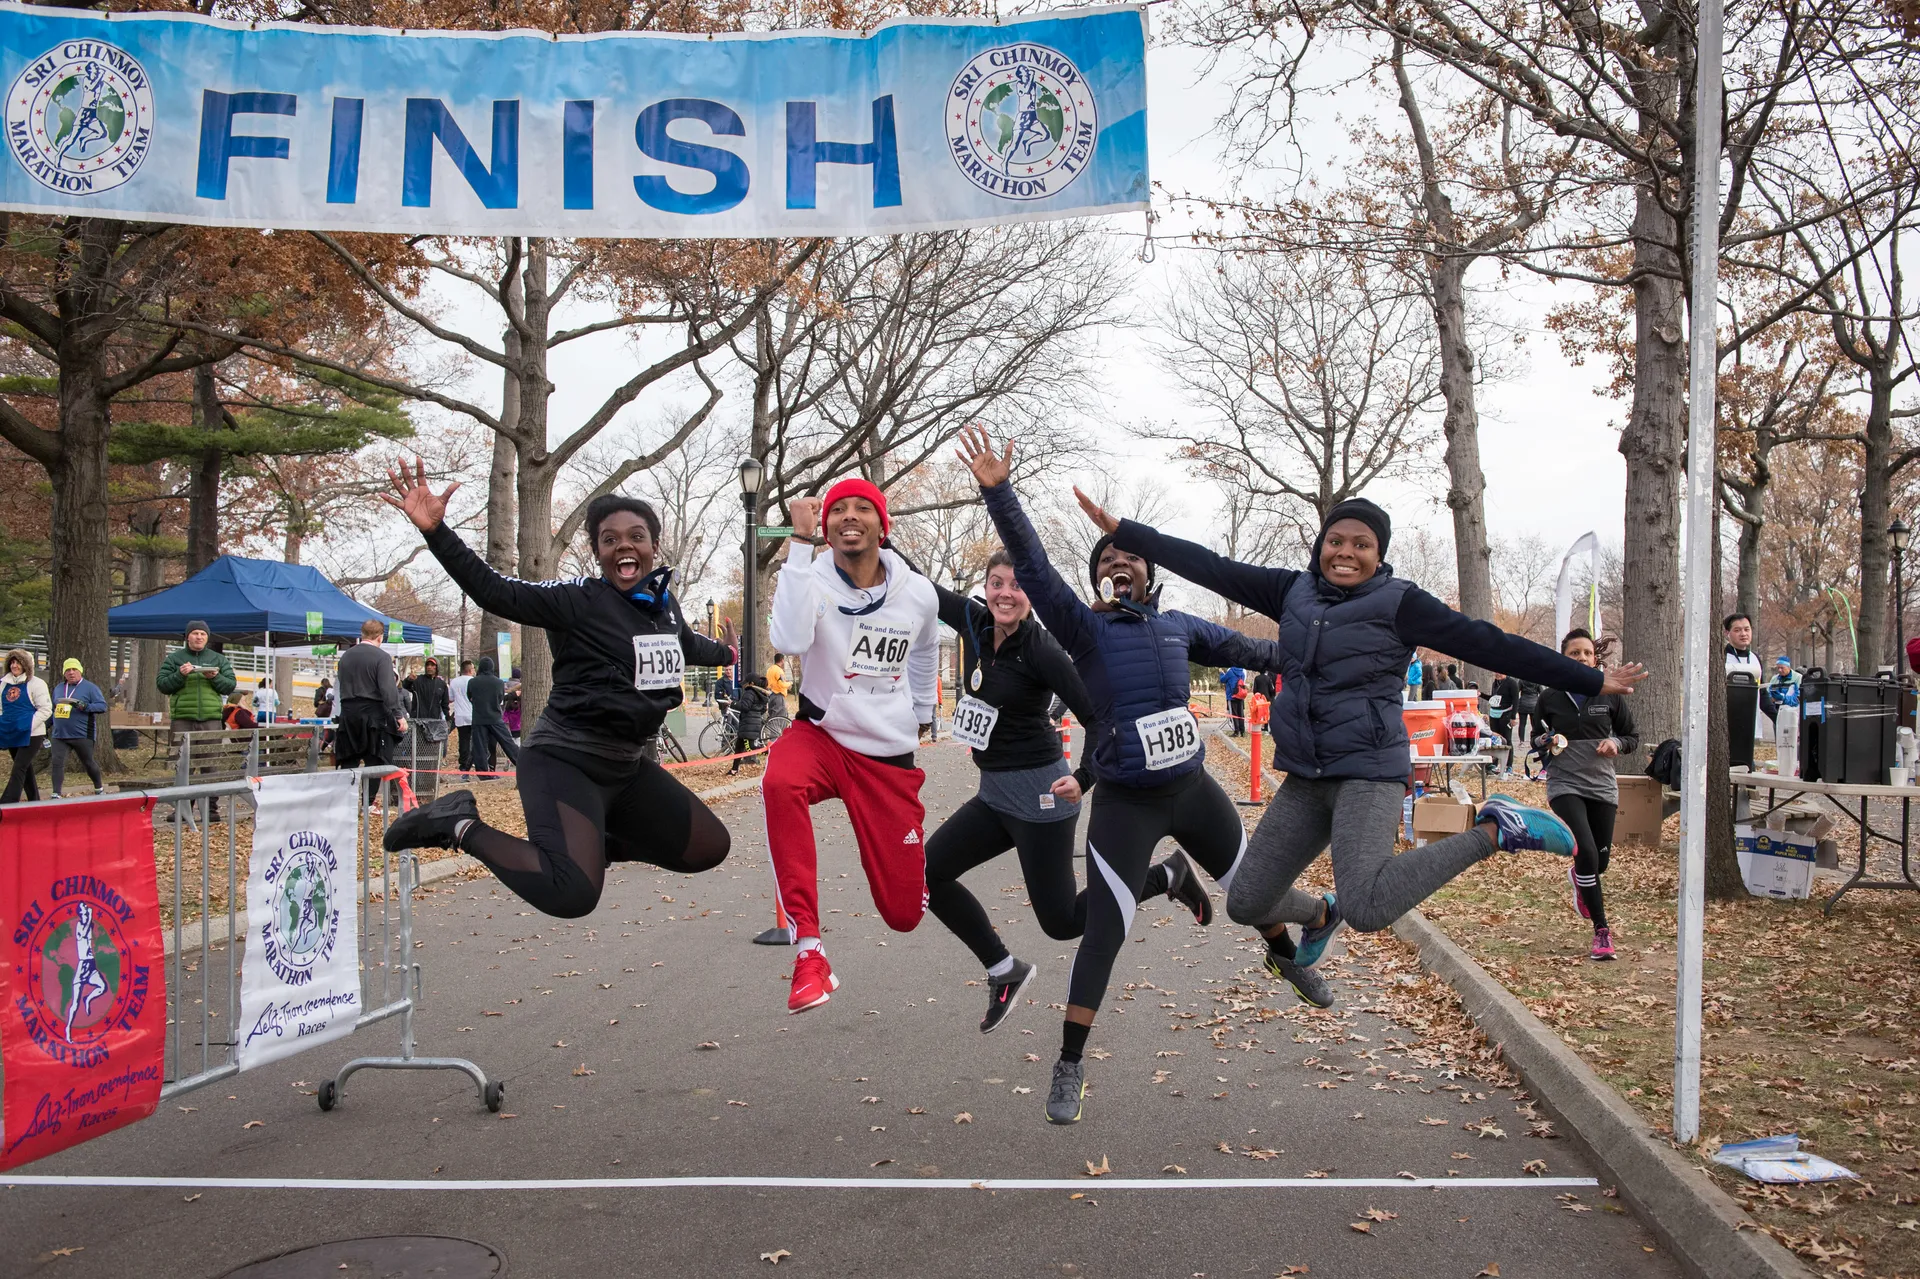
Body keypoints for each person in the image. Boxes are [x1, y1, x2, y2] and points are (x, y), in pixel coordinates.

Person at [1076, 486, 1648, 1023]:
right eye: (1336, 541)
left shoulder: (1400, 604)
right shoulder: (1290, 591)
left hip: (1370, 772)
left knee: (1370, 905)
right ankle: (1320, 913)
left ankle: (1496, 830)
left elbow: (1490, 642)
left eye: (1361, 545)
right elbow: (1209, 566)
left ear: (1379, 555)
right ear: (1320, 546)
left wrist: (1590, 681)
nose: (1345, 553)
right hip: (1306, 776)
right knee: (1247, 901)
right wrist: (1128, 531)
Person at [958, 428, 1309, 1127]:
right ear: (1094, 581)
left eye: (1130, 558)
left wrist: (1318, 654)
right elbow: (1031, 563)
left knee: (1253, 889)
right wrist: (999, 492)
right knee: (1101, 935)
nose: (1119, 565)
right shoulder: (1083, 631)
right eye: (1107, 560)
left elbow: (1256, 650)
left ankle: (1287, 959)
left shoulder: (1179, 625)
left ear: (1149, 574)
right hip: (1126, 805)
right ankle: (1070, 1062)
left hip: (1194, 791)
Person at [379, 463, 736, 920]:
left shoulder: (663, 607)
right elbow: (495, 591)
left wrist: (726, 654)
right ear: (598, 553)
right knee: (572, 895)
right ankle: (456, 822)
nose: (624, 545)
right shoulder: (579, 600)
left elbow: (686, 644)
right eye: (610, 539)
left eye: (636, 535)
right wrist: (437, 532)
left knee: (707, 846)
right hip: (566, 761)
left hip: (626, 769)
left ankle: (593, 842)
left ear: (653, 546)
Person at [762, 476, 941, 1015]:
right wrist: (797, 545)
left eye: (863, 508)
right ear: (827, 527)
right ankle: (810, 951)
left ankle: (915, 872)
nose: (849, 517)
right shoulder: (808, 579)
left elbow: (925, 652)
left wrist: (923, 714)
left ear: (881, 526)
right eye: (838, 510)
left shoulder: (918, 593)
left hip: (885, 756)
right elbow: (788, 642)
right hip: (822, 735)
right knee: (779, 781)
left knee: (904, 914)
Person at [925, 547, 1102, 1034]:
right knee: (928, 874)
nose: (1005, 593)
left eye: (1017, 585)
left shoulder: (1042, 650)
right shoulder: (976, 623)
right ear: (986, 588)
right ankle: (1004, 970)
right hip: (995, 796)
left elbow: (1098, 717)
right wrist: (876, 535)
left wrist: (1084, 777)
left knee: (1061, 922)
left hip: (1041, 797)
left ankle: (1160, 878)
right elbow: (919, 582)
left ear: (1031, 595)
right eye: (997, 582)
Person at [1534, 628, 1638, 961]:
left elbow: (1631, 735)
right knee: (1588, 851)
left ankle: (1581, 878)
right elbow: (1538, 736)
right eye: (1574, 653)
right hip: (1564, 782)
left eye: (1587, 653)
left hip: (1601, 784)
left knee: (1599, 862)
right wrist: (1545, 741)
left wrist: (1616, 744)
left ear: (1595, 658)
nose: (1581, 658)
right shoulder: (1549, 697)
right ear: (1563, 657)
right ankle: (1602, 932)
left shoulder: (1610, 694)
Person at [156, 621, 236, 819]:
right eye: (195, 633)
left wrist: (214, 677)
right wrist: (179, 674)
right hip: (182, 719)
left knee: (210, 765)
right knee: (183, 766)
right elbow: (163, 685)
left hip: (211, 719)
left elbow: (229, 686)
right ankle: (183, 809)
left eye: (202, 634)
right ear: (187, 637)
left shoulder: (218, 659)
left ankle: (210, 810)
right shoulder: (175, 659)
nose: (199, 637)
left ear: (207, 638)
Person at [335, 620, 408, 801]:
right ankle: (368, 802)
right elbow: (388, 689)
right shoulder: (381, 657)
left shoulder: (345, 657)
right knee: (375, 759)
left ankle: (346, 801)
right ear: (380, 637)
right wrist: (398, 715)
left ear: (362, 634)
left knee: (349, 759)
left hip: (348, 712)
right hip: (373, 713)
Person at [48, 658, 108, 798]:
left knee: (88, 762)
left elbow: (102, 706)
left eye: (74, 670)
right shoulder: (58, 688)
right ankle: (56, 793)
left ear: (80, 671)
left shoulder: (90, 688)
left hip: (82, 734)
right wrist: (46, 725)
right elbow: (54, 709)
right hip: (60, 734)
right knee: (57, 763)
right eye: (68, 670)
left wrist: (85, 706)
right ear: (64, 673)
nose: (71, 673)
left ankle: (99, 788)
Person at [1, 649, 51, 804]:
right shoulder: (3, 684)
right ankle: (34, 801)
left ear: (26, 665)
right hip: (11, 732)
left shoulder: (37, 684)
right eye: (12, 662)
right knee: (25, 768)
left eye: (18, 662)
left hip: (32, 734)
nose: (15, 666)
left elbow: (45, 709)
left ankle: (8, 802)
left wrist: (28, 725)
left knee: (19, 768)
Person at [1724, 612, 1775, 730]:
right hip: (1726, 728)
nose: (1743, 634)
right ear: (1727, 633)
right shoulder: (1721, 658)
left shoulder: (1754, 658)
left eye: (1747, 629)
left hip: (1751, 727)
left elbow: (1762, 694)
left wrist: (1778, 719)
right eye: (1737, 630)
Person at [468, 657, 518, 774]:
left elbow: (470, 696)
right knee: (508, 743)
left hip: (479, 717)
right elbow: (500, 698)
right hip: (495, 717)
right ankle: (520, 762)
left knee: (479, 746)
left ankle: (482, 771)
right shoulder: (499, 682)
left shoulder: (472, 682)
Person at [726, 675, 770, 776]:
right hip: (752, 723)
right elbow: (763, 709)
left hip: (748, 725)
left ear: (752, 684)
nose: (744, 685)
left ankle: (769, 752)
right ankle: (734, 769)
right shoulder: (761, 694)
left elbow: (745, 706)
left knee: (750, 748)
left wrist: (732, 703)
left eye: (746, 682)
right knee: (739, 747)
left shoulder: (749, 693)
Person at [1484, 671, 1520, 774]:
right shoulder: (1495, 683)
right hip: (1494, 713)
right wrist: (1481, 694)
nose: (1497, 674)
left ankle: (1509, 765)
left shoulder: (1512, 683)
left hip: (1506, 713)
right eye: (1496, 673)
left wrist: (1513, 717)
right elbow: (1492, 699)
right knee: (1495, 739)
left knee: (1507, 739)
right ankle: (1494, 763)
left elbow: (1516, 700)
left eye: (1500, 673)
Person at [448, 660, 475, 776]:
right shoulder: (474, 681)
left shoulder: (454, 682)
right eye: (473, 669)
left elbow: (450, 698)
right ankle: (472, 761)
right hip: (473, 714)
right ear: (469, 670)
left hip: (460, 715)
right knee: (474, 741)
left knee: (463, 740)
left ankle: (463, 764)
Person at [1221, 664, 1248, 736]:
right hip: (1240, 695)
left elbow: (1222, 680)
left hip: (1232, 695)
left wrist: (1221, 673)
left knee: (1234, 714)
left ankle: (1236, 731)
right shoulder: (1242, 672)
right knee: (1241, 714)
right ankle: (1242, 731)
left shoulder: (1230, 672)